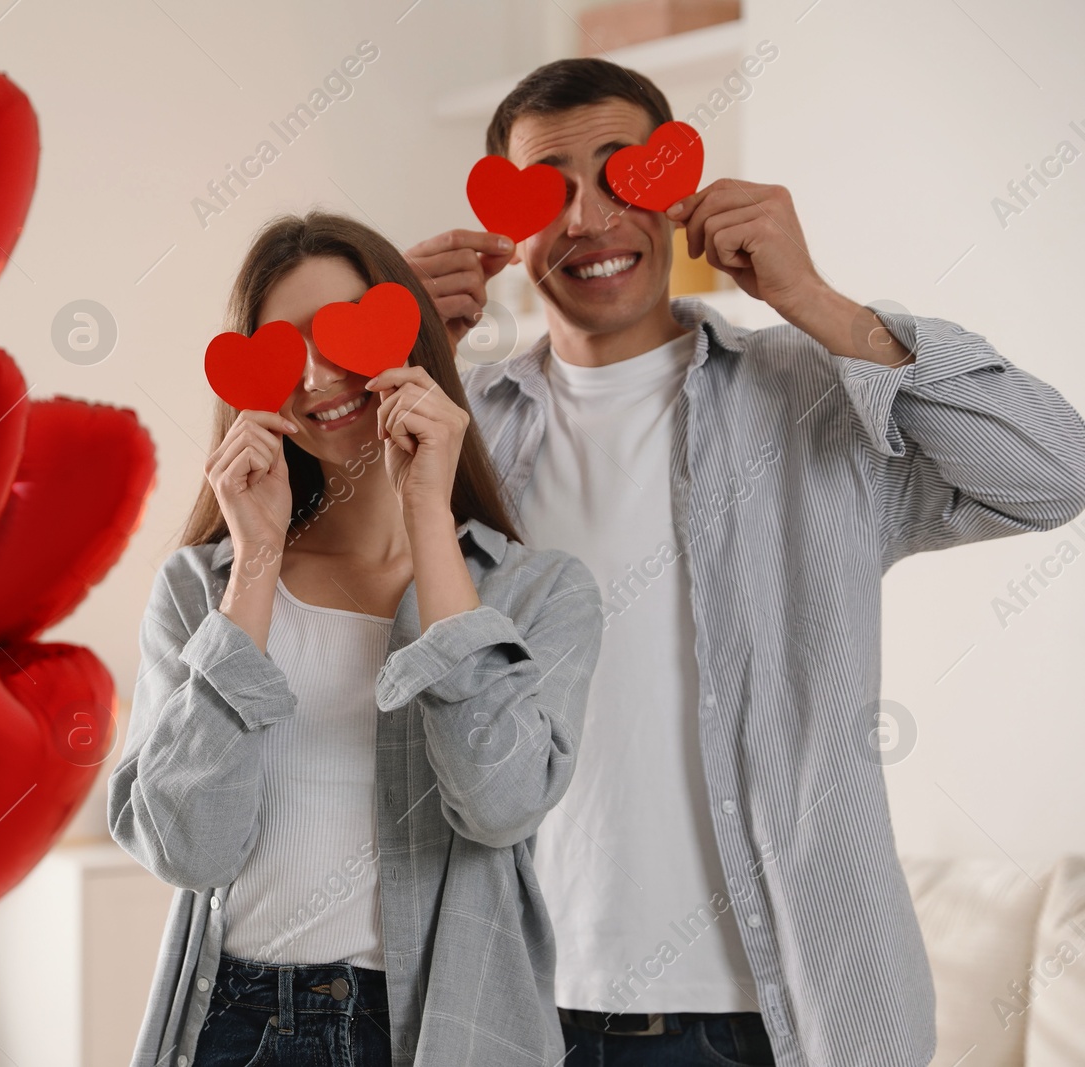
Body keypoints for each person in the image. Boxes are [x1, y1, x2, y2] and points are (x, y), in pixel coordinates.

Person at [405, 57, 1085, 1067]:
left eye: (621, 173)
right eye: (548, 188)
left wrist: (812, 296)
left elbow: (1052, 472)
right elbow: (313, 603)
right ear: (508, 228)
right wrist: (398, 358)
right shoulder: (452, 434)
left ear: (674, 189)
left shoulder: (811, 398)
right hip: (513, 1011)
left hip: (776, 1018)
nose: (588, 218)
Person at [109, 211, 604, 1067]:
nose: (313, 373)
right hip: (235, 1021)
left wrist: (428, 519)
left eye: (340, 332)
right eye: (279, 349)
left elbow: (500, 804)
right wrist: (256, 560)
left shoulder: (540, 591)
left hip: (430, 1027)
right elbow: (189, 848)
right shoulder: (201, 588)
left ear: (407, 338)